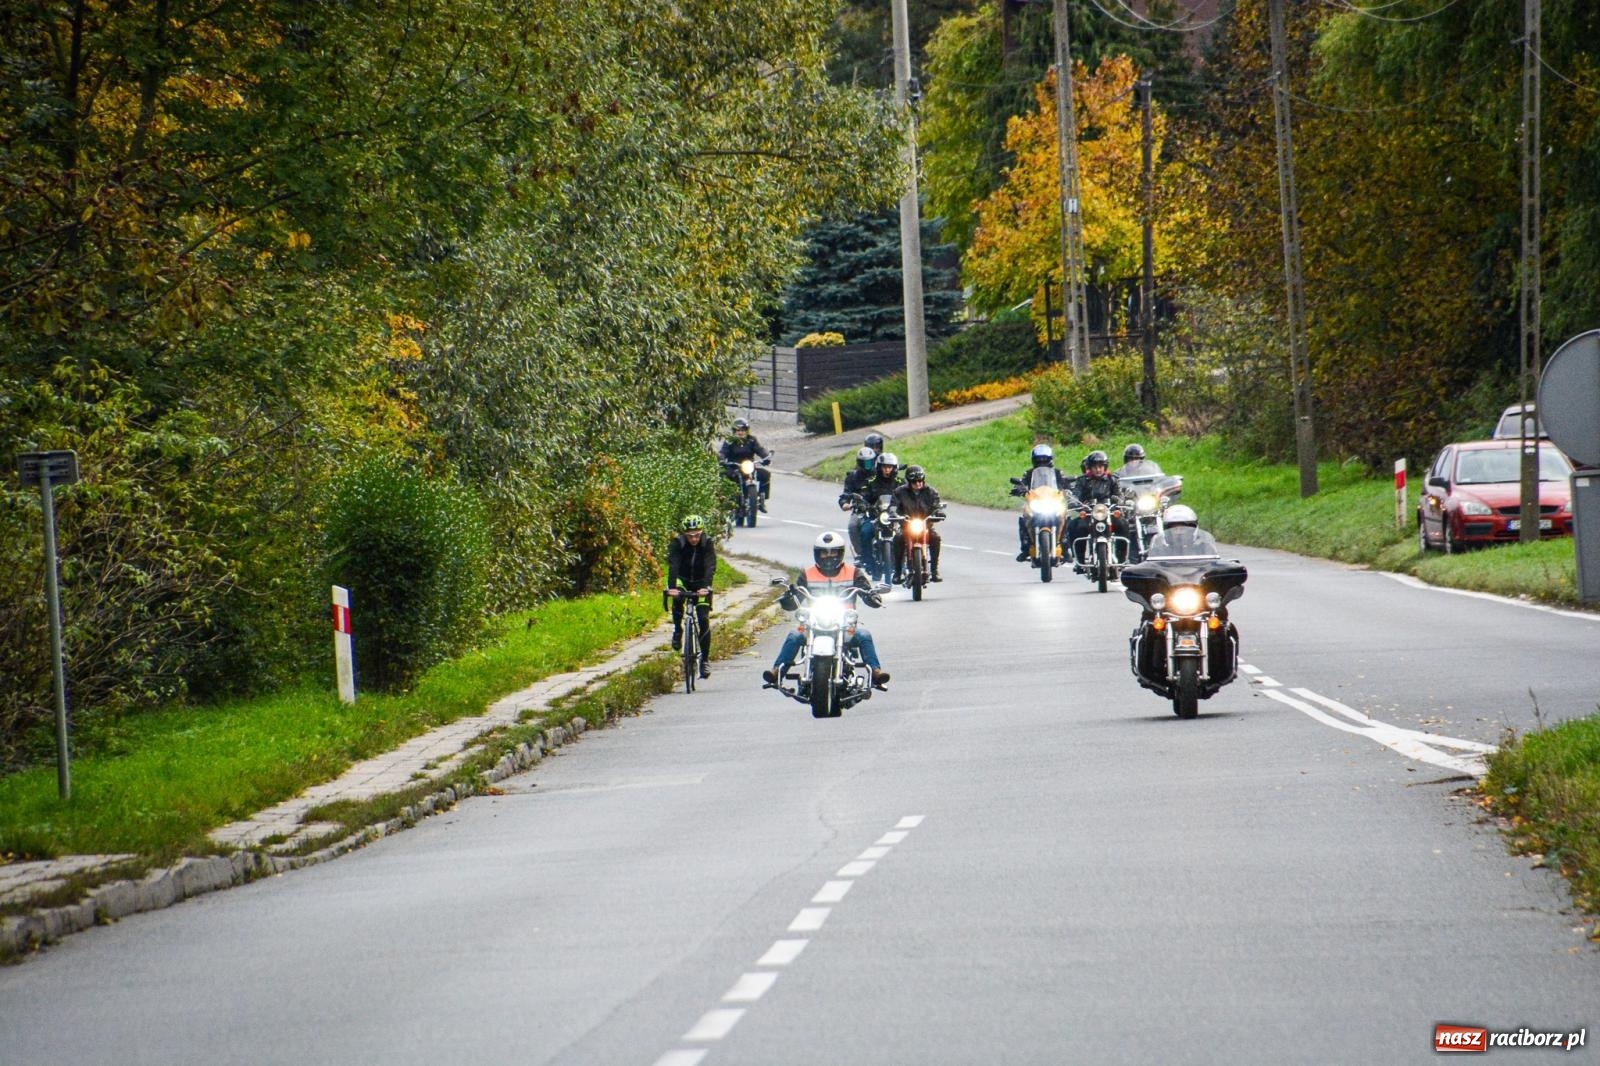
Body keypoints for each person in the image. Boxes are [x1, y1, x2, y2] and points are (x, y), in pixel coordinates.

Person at [762, 531, 890, 689]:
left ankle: (876, 672)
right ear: (817, 553)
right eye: (824, 552)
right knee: (794, 635)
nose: (828, 556)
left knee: (864, 635)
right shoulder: (807, 574)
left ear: (841, 553)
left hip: (845, 627)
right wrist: (788, 597)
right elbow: (795, 600)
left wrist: (872, 596)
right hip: (813, 625)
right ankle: (776, 672)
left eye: (833, 552)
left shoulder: (853, 573)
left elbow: (867, 592)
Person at [665, 515, 716, 678]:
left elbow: (710, 565)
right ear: (684, 534)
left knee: (703, 618)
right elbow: (674, 566)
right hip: (683, 579)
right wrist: (672, 588)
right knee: (678, 598)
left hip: (701, 583)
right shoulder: (677, 544)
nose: (694, 539)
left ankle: (705, 660)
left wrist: (707, 586)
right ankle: (678, 631)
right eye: (690, 536)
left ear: (701, 533)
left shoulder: (707, 543)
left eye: (697, 535)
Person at [1066, 449, 1133, 565]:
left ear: (1105, 467)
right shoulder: (1083, 480)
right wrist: (1075, 502)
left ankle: (1122, 559)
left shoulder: (1112, 479)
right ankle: (1079, 560)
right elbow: (1076, 494)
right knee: (1074, 526)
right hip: (1089, 513)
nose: (1098, 469)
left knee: (1123, 524)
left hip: (1109, 513)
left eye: (1101, 466)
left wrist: (1119, 500)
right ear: (1090, 467)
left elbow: (1119, 494)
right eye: (1095, 467)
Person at [1012, 444, 1070, 561]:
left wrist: (1068, 487)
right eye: (1039, 461)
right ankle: (1025, 548)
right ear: (1034, 461)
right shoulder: (1028, 474)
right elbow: (1021, 483)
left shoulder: (1058, 473)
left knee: (1064, 516)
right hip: (1036, 503)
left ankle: (1064, 547)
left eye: (1045, 461)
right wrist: (1018, 488)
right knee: (1024, 519)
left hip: (1052, 502)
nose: (1042, 464)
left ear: (1050, 460)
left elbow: (1066, 483)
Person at [890, 465, 944, 583]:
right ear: (909, 481)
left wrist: (938, 512)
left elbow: (936, 506)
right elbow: (893, 506)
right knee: (897, 538)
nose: (918, 483)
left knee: (935, 538)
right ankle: (897, 573)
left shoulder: (931, 492)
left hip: (925, 526)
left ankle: (934, 571)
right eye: (914, 481)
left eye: (920, 480)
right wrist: (894, 514)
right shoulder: (900, 492)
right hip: (906, 526)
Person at [856, 452, 903, 581]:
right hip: (875, 516)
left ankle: (904, 563)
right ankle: (869, 562)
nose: (887, 470)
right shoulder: (871, 482)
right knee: (865, 532)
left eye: (890, 467)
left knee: (907, 533)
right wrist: (862, 504)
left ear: (894, 468)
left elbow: (906, 497)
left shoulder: (901, 482)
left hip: (895, 517)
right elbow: (864, 495)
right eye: (884, 467)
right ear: (879, 467)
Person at [719, 417, 772, 511]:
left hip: (749, 466)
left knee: (765, 474)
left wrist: (766, 457)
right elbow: (723, 452)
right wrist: (721, 459)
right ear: (734, 431)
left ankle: (762, 500)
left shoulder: (752, 440)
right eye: (738, 430)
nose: (740, 432)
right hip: (734, 466)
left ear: (747, 431)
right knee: (723, 475)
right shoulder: (729, 441)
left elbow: (760, 450)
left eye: (743, 430)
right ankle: (725, 500)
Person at [838, 445, 880, 562]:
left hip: (880, 507)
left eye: (870, 462)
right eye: (865, 463)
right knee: (853, 525)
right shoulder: (852, 477)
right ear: (859, 463)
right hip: (861, 509)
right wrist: (845, 503)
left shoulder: (879, 474)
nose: (868, 466)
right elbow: (846, 494)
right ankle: (861, 553)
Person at [1143, 505, 1220, 558]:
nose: (1179, 532)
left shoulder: (1205, 549)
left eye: (1182, 528)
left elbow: (1214, 567)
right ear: (1167, 531)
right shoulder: (1159, 552)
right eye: (1175, 529)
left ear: (1192, 530)